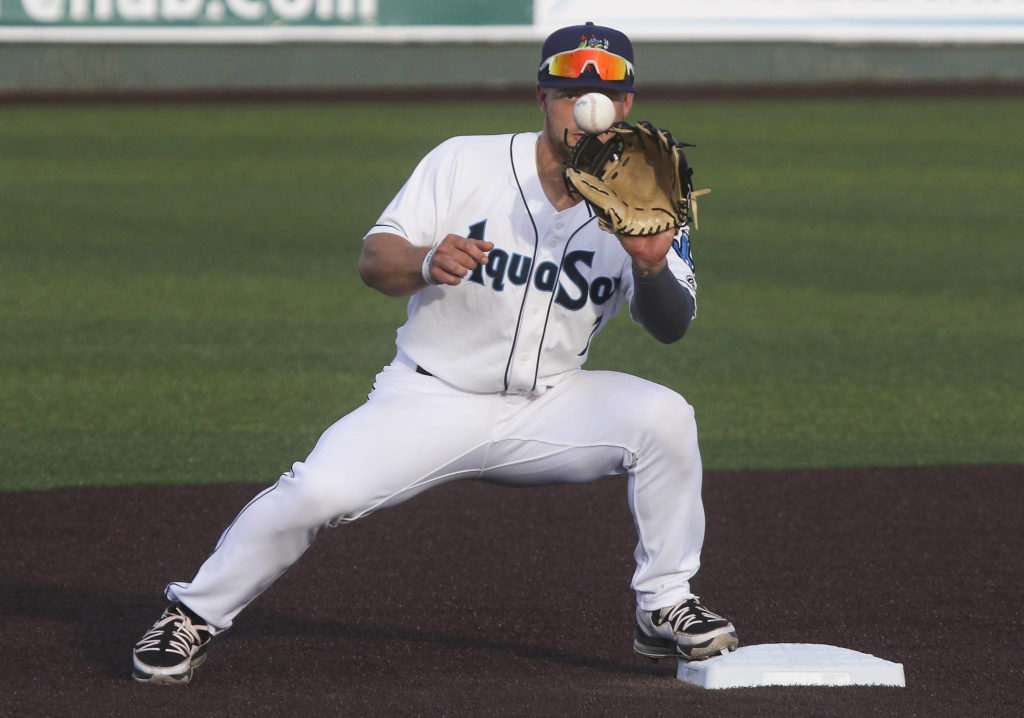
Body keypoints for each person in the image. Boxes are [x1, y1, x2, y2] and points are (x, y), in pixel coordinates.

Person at [131, 21, 738, 685]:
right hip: (428, 397)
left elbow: (671, 324)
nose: (583, 111)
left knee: (665, 417)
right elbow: (375, 259)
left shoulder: (647, 193)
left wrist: (649, 264)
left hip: (551, 406)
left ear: (625, 106)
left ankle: (664, 607)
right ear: (542, 97)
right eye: (568, 94)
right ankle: (191, 613)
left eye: (601, 96)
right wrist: (424, 261)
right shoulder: (463, 162)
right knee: (316, 492)